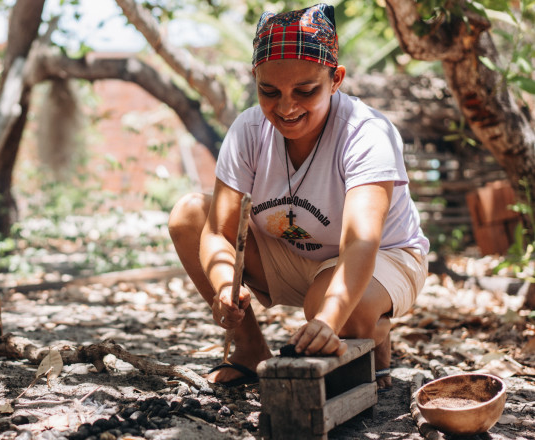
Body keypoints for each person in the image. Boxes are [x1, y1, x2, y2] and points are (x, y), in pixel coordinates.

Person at [168, 3, 429, 390]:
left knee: (340, 312)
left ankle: (371, 327)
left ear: (336, 79)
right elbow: (217, 232)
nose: (286, 107)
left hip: (380, 259)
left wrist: (327, 320)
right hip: (293, 256)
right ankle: (249, 350)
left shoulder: (366, 132)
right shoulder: (248, 131)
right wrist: (225, 284)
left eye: (305, 91)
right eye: (269, 92)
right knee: (188, 214)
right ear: (255, 77)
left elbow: (360, 242)